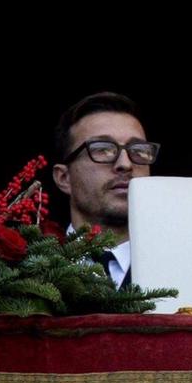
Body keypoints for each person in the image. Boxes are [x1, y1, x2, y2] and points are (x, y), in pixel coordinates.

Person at [51, 92, 159, 288]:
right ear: (64, 178)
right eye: (102, 149)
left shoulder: (189, 264)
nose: (125, 164)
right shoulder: (21, 272)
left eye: (138, 150)